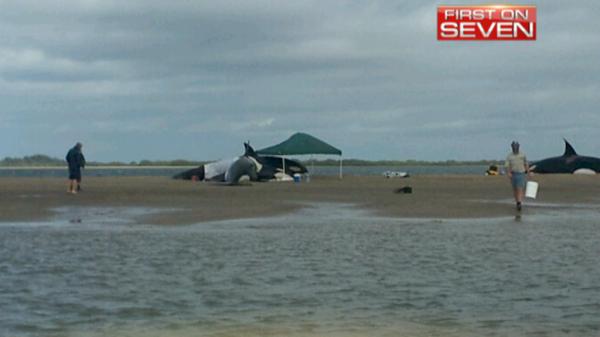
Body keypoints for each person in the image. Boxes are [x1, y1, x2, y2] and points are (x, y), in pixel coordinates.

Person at [505, 141, 529, 211]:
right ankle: (517, 201)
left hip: (521, 173)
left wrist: (528, 172)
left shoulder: (522, 155)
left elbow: (526, 163)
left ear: (518, 147)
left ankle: (519, 203)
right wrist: (508, 173)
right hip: (513, 174)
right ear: (512, 147)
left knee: (519, 188)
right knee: (515, 189)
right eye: (514, 147)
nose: (515, 148)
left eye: (516, 146)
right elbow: (506, 165)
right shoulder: (509, 156)